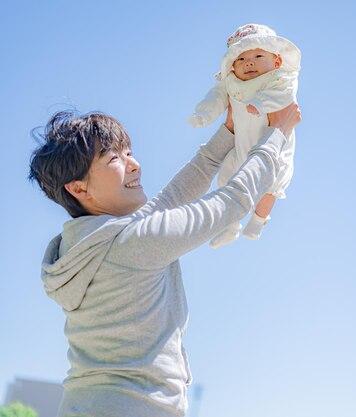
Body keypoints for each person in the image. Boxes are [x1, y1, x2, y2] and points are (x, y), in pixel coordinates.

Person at [29, 102, 301, 417]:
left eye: (129, 152)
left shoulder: (84, 248)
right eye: (114, 158)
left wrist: (230, 130)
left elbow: (171, 198)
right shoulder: (132, 244)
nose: (134, 165)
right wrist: (276, 135)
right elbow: (234, 201)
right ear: (78, 188)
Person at [189, 23, 300, 248]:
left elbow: (285, 97)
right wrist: (204, 114)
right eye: (241, 59)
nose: (249, 62)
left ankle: (259, 220)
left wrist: (260, 103)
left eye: (259, 55)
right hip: (241, 148)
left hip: (274, 149)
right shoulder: (231, 82)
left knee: (269, 190)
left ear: (276, 61)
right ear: (232, 66)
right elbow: (217, 96)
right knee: (225, 181)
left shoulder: (279, 78)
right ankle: (230, 226)